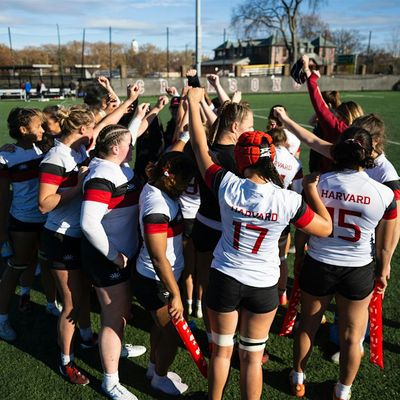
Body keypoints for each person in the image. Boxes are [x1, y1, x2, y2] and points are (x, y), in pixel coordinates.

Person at [187, 87, 332, 400]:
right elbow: (324, 228)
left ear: (240, 159)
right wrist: (313, 193)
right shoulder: (289, 200)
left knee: (221, 353)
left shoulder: (227, 183)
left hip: (225, 276)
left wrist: (192, 102)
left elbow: (200, 147)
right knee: (252, 358)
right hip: (264, 284)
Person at [274, 107, 397, 400]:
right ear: (368, 155)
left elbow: (303, 226)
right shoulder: (385, 193)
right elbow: (385, 241)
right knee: (353, 336)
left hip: (319, 263)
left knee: (308, 325)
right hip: (358, 270)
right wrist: (383, 268)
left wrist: (301, 253)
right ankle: (342, 391)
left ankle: (297, 377)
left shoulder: (318, 184)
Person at [81, 124, 145, 400]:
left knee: (121, 313)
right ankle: (110, 381)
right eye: (128, 144)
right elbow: (88, 222)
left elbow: (119, 138)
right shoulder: (102, 176)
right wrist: (113, 256)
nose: (132, 147)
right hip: (108, 259)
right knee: (112, 318)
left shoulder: (117, 167)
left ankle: (116, 348)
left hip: (122, 256)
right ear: (116, 149)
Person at [191, 99, 254, 348]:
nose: (253, 130)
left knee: (208, 287)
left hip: (203, 225)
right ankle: (232, 340)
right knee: (232, 292)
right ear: (236, 126)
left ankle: (211, 337)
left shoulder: (207, 150)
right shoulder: (237, 159)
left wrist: (193, 103)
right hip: (228, 232)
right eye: (249, 126)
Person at [133, 151, 195, 396]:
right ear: (171, 177)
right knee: (171, 333)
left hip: (161, 278)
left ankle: (153, 368)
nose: (186, 186)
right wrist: (176, 293)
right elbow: (158, 257)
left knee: (159, 327)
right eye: (184, 180)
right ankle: (159, 378)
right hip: (157, 280)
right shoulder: (157, 205)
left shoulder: (158, 189)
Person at [0, 108, 50, 342]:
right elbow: (2, 199)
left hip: (46, 218)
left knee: (39, 260)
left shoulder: (42, 147)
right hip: (23, 221)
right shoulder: (6, 156)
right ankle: (1, 320)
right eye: (38, 126)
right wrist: (2, 232)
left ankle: (27, 296)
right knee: (17, 265)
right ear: (23, 130)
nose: (43, 129)